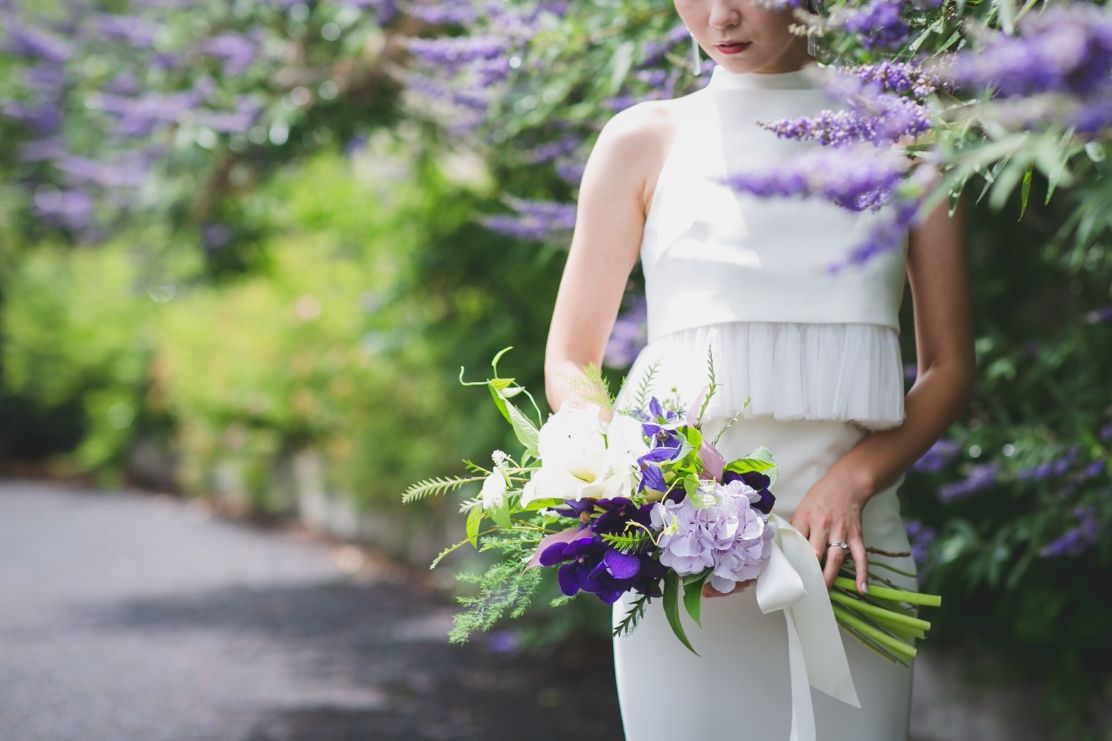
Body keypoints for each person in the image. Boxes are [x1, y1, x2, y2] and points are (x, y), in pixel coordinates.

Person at [542, 0, 974, 738]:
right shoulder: (643, 140)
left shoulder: (905, 136)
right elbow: (571, 364)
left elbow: (949, 368)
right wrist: (666, 474)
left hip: (853, 557)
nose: (721, 15)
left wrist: (857, 476)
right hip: (686, 566)